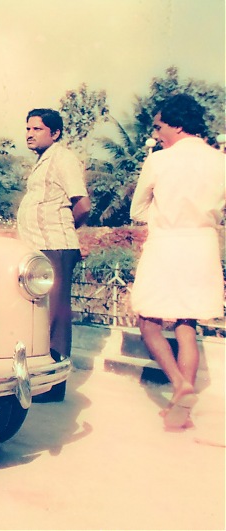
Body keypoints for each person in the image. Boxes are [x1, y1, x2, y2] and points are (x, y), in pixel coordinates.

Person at [130, 94, 225, 430]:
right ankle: (179, 412)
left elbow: (137, 210)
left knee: (148, 320)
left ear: (178, 125)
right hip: (202, 246)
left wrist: (162, 214)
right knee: (187, 324)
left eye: (160, 127)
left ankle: (179, 383)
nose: (156, 134)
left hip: (167, 244)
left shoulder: (158, 161)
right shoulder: (220, 161)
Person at [17, 108, 91, 402]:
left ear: (55, 132)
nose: (29, 134)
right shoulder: (42, 162)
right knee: (39, 315)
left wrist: (63, 227)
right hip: (37, 246)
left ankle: (54, 386)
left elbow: (82, 205)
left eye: (37, 129)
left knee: (56, 314)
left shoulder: (63, 159)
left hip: (56, 246)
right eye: (28, 129)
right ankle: (41, 378)